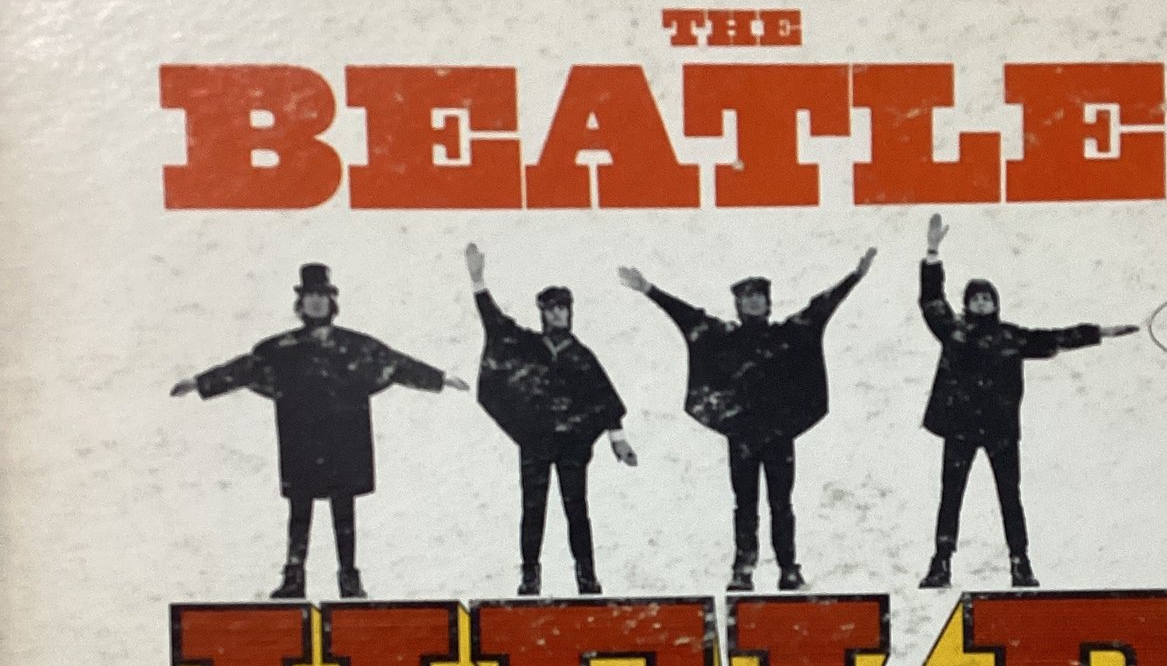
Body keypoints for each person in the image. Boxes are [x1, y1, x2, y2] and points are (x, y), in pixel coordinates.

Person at [171, 263, 466, 599]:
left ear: (331, 301)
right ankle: (294, 577)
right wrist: (200, 383)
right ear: (301, 303)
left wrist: (440, 378)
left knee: (344, 511)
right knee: (299, 509)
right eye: (310, 295)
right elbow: (243, 369)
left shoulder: (356, 346)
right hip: (301, 439)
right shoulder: (280, 349)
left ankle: (349, 579)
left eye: (321, 295)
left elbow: (396, 364)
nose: (315, 301)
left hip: (345, 440)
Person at [618, 248, 876, 590]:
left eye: (759, 296)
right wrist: (649, 289)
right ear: (738, 305)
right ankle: (743, 569)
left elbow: (820, 309)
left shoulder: (787, 335)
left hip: (779, 435)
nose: (754, 301)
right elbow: (688, 317)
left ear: (768, 303)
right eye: (747, 297)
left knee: (781, 504)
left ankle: (788, 568)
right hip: (742, 436)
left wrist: (854, 277)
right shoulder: (725, 337)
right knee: (745, 504)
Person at [916, 216, 1137, 589]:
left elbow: (1055, 338)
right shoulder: (954, 332)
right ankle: (941, 564)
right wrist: (933, 253)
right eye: (976, 298)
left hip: (1001, 430)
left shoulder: (1011, 336)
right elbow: (932, 301)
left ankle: (1020, 563)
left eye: (987, 298)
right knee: (951, 496)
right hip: (961, 428)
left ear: (995, 304)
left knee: (1010, 497)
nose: (982, 302)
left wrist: (1100, 332)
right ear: (967, 304)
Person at [466, 244, 636, 595]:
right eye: (552, 308)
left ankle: (586, 575)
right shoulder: (528, 346)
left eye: (563, 307)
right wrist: (478, 281)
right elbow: (496, 325)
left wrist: (618, 440)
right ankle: (530, 575)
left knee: (577, 510)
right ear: (542, 312)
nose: (559, 314)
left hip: (572, 443)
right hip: (536, 441)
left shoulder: (581, 355)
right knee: (533, 509)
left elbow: (604, 397)